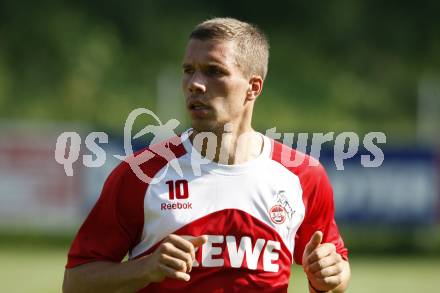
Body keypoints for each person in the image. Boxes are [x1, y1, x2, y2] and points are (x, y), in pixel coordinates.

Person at [63, 17, 351, 293]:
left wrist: (331, 276)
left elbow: (335, 270)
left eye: (214, 71)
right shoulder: (142, 173)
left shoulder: (302, 176)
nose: (195, 84)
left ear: (253, 88)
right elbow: (75, 283)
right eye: (189, 70)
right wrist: (145, 268)